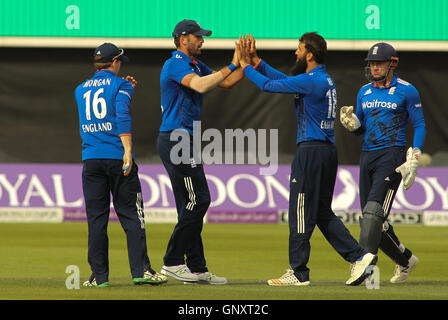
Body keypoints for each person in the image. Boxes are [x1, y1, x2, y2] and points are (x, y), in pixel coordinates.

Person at [237, 33, 376, 286]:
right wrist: (258, 62)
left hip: (310, 152)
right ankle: (359, 256)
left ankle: (298, 272)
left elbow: (269, 86)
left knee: (300, 210)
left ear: (309, 54)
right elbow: (288, 81)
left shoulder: (312, 81)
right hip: (326, 152)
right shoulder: (322, 79)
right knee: (322, 212)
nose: (296, 53)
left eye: (299, 49)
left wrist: (245, 66)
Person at [158, 20, 245, 284]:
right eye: (198, 37)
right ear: (183, 39)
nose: (202, 41)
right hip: (176, 139)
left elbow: (226, 82)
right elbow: (200, 86)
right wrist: (232, 63)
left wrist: (245, 62)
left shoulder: (194, 64)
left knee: (189, 205)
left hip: (184, 139)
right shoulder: (175, 63)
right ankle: (173, 261)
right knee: (200, 200)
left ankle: (196, 268)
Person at [75, 43, 167, 287]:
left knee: (96, 221)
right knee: (132, 217)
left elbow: (101, 111)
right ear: (115, 62)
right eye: (120, 61)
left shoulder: (80, 89)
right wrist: (127, 151)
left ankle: (99, 277)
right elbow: (121, 115)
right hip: (117, 158)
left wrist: (126, 91)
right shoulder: (121, 84)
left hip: (91, 161)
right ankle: (141, 271)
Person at [340, 42, 426, 283]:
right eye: (372, 63)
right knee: (370, 219)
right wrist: (353, 124)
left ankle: (365, 273)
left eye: (379, 63)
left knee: (373, 214)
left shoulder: (407, 90)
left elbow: (419, 124)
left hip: (392, 155)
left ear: (392, 64)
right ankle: (406, 260)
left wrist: (415, 155)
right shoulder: (364, 91)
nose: (374, 67)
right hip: (367, 155)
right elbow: (361, 127)